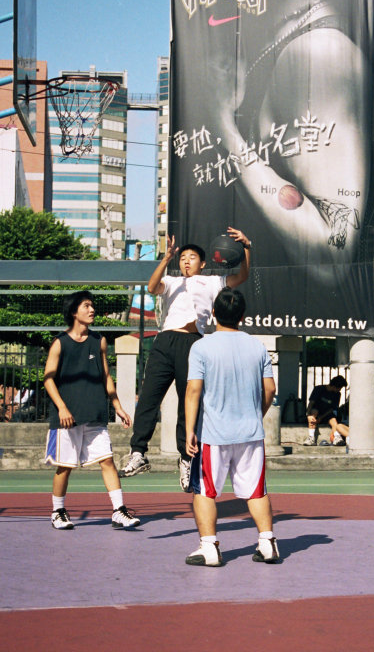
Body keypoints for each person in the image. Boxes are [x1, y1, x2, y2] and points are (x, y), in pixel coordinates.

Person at [119, 227, 251, 491]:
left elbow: (242, 276)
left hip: (193, 343)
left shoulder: (213, 281)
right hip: (166, 341)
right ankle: (138, 453)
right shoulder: (171, 281)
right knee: (148, 397)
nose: (186, 261)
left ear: (202, 263)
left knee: (187, 403)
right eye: (183, 257)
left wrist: (247, 247)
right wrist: (166, 259)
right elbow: (152, 286)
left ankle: (185, 457)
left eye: (191, 257)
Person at [184, 287, 279, 566]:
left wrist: (190, 429)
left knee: (205, 491)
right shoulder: (257, 346)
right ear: (243, 316)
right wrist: (255, 414)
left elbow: (193, 390)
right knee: (256, 491)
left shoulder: (201, 346)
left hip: (214, 434)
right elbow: (270, 389)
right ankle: (267, 543)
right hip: (251, 433)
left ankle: (209, 547)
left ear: (214, 313)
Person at [43, 290, 140, 530]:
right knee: (64, 466)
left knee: (107, 461)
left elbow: (105, 374)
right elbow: (48, 379)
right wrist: (62, 408)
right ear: (74, 312)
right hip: (67, 418)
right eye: (86, 306)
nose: (92, 309)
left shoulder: (99, 341)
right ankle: (57, 511)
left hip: (94, 415)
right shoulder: (59, 343)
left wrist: (118, 405)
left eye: (92, 305)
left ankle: (118, 510)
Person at [304, 375, 349, 446]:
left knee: (334, 420)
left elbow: (332, 408)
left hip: (327, 414)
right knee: (313, 412)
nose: (340, 390)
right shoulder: (318, 389)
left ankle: (336, 438)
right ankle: (311, 438)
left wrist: (321, 417)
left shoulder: (337, 394)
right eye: (340, 388)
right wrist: (308, 414)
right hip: (315, 412)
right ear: (335, 386)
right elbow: (311, 403)